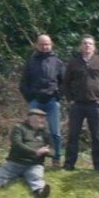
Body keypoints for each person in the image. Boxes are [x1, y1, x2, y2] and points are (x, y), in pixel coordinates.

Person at [62, 34, 99, 171]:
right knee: (73, 135)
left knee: (97, 136)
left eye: (90, 43)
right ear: (80, 46)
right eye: (84, 43)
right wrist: (70, 99)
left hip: (95, 104)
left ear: (94, 47)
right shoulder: (73, 62)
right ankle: (69, 164)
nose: (87, 45)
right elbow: (65, 82)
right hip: (77, 104)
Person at [19, 34, 65, 168]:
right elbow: (23, 84)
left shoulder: (57, 62)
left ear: (51, 45)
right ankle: (34, 157)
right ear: (36, 45)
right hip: (36, 102)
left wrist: (58, 95)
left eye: (47, 44)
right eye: (42, 44)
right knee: (33, 132)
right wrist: (30, 98)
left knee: (55, 132)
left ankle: (56, 158)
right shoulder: (31, 62)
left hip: (52, 102)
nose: (44, 47)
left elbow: (64, 82)